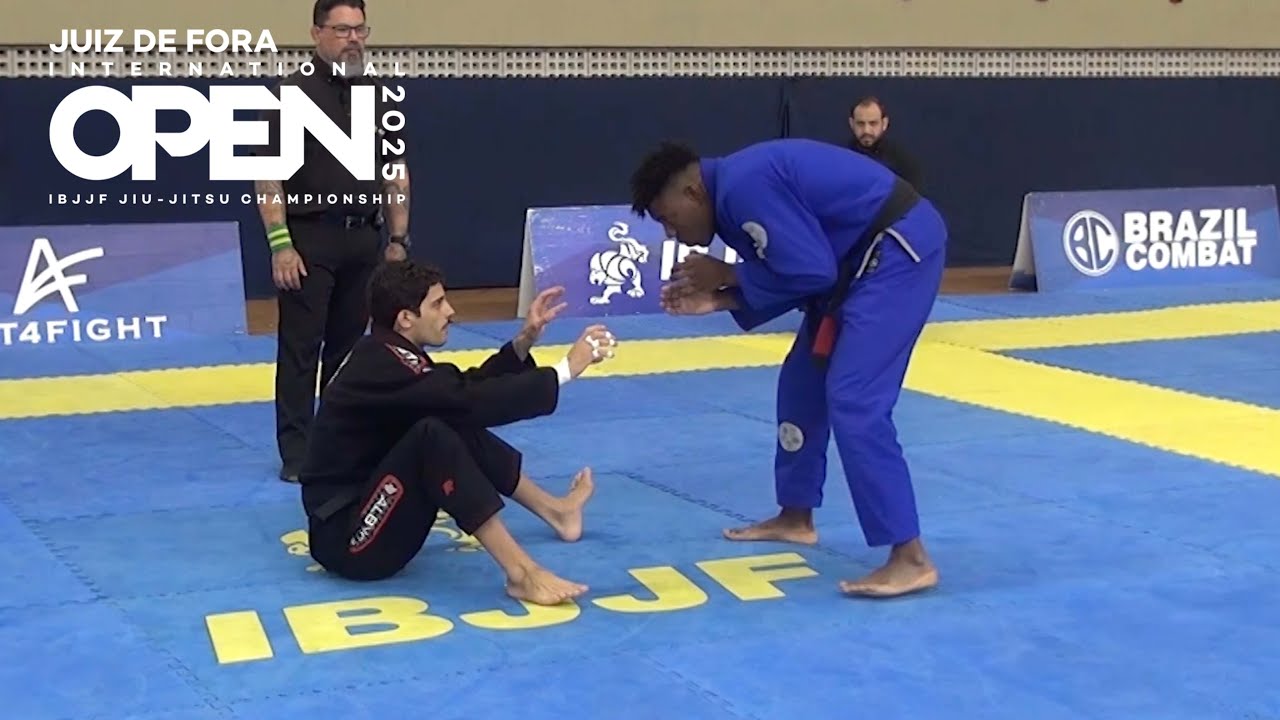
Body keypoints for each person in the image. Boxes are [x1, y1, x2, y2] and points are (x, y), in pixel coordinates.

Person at [628, 138, 945, 598]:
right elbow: (798, 275)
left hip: (896, 251)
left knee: (855, 399)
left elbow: (811, 271)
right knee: (802, 385)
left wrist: (729, 276)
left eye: (668, 218)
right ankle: (796, 516)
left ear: (693, 192)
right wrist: (719, 299)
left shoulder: (744, 187)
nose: (671, 233)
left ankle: (911, 558)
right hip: (851, 264)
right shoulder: (730, 201)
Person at [298, 260, 620, 606]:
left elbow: (459, 390)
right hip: (350, 542)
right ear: (406, 318)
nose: (450, 312)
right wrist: (565, 369)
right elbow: (465, 398)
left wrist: (523, 341)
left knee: (448, 415)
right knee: (433, 434)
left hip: (369, 515)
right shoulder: (380, 363)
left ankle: (556, 511)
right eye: (437, 304)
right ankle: (522, 573)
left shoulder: (386, 351)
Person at [253, 0, 414, 482]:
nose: (353, 39)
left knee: (349, 350)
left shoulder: (378, 96)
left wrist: (398, 238)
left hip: (363, 237)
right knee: (301, 349)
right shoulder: (290, 95)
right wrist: (280, 242)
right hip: (310, 238)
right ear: (316, 33)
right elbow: (267, 176)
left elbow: (395, 171)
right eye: (342, 30)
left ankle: (340, 443)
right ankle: (297, 453)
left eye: (360, 30)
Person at [847, 96, 923, 191]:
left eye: (873, 123)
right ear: (851, 123)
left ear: (884, 123)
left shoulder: (902, 163)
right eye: (860, 123)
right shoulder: (842, 159)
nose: (866, 130)